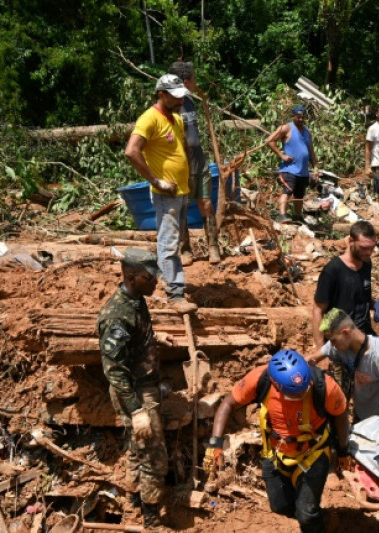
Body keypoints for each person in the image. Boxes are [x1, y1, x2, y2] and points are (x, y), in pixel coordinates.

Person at [204, 350, 349, 532]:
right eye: (295, 394)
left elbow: (341, 415)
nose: (301, 395)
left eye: (304, 390)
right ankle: (316, 517)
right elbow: (228, 403)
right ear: (276, 386)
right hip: (275, 453)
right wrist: (215, 444)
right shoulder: (260, 379)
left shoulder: (325, 386)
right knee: (280, 507)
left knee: (306, 513)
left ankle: (318, 522)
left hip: (313, 452)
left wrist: (343, 451)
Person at [96, 248, 167, 527]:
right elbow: (114, 369)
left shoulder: (137, 300)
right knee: (153, 454)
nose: (155, 282)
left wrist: (153, 339)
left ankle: (133, 501)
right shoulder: (117, 316)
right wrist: (137, 410)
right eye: (150, 278)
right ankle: (152, 519)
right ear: (130, 277)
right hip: (134, 392)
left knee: (140, 448)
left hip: (144, 385)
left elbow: (134, 340)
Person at [124, 74, 198, 314]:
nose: (180, 101)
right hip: (165, 194)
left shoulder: (176, 119)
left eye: (181, 97)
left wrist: (189, 177)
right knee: (169, 244)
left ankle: (163, 280)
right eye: (175, 97)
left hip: (180, 191)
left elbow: (180, 150)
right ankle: (175, 294)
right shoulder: (149, 119)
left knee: (174, 241)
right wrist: (156, 181)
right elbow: (131, 151)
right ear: (161, 95)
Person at [311, 308, 379, 421]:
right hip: (363, 416)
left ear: (346, 333)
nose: (331, 345)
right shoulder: (339, 346)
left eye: (333, 340)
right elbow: (312, 359)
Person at [168, 61, 220, 265]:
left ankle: (213, 247)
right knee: (181, 207)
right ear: (186, 81)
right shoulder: (168, 107)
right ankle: (185, 249)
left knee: (206, 204)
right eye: (194, 79)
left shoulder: (189, 100)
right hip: (182, 165)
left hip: (200, 161)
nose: (196, 83)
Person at [312, 221, 379, 348]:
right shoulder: (332, 271)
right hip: (342, 339)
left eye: (372, 248)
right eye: (364, 248)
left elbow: (359, 295)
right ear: (351, 241)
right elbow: (318, 310)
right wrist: (321, 350)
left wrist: (376, 305)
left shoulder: (366, 263)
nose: (369, 252)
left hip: (363, 333)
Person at [266, 105, 318, 221]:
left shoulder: (307, 132)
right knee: (288, 191)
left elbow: (311, 151)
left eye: (303, 117)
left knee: (299, 194)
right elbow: (269, 140)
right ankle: (282, 215)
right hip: (290, 168)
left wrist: (315, 167)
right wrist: (282, 155)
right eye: (298, 117)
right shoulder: (287, 128)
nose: (301, 119)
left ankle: (298, 216)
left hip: (303, 170)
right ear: (293, 116)